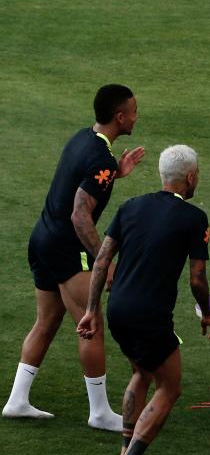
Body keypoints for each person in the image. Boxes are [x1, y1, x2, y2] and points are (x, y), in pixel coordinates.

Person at [77, 144, 210, 455]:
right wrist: (208, 314)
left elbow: (101, 262)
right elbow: (197, 279)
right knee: (170, 387)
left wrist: (91, 310)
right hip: (149, 316)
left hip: (118, 310)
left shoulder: (130, 207)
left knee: (142, 373)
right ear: (190, 177)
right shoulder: (194, 218)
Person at [3, 84, 145, 430]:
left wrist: (115, 173)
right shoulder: (100, 157)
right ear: (120, 116)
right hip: (66, 249)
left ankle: (17, 401)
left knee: (47, 321)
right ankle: (99, 413)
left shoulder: (85, 139)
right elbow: (80, 215)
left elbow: (78, 185)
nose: (136, 117)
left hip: (42, 239)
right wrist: (102, 260)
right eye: (133, 111)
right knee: (90, 324)